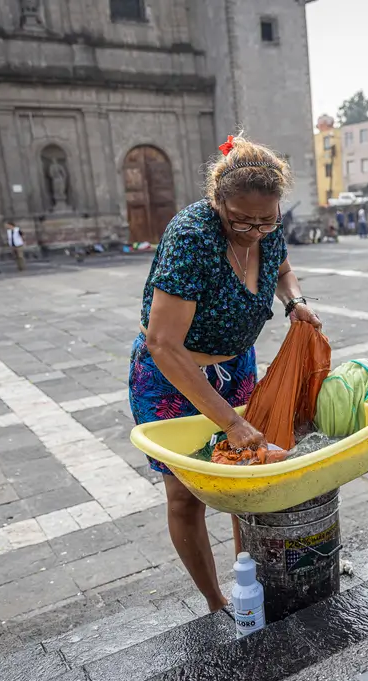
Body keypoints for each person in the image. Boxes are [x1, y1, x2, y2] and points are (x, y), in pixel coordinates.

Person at [130, 133, 322, 612]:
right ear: (216, 201)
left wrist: (294, 302)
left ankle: (250, 585)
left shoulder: (267, 227)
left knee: (247, 484)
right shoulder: (192, 237)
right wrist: (231, 423)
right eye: (241, 220)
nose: (254, 231)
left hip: (237, 368)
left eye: (266, 220)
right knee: (185, 496)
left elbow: (281, 269)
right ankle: (216, 601)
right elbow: (162, 343)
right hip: (172, 379)